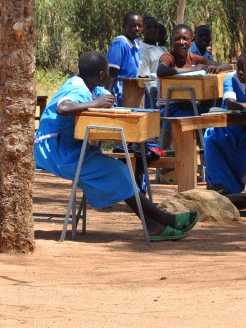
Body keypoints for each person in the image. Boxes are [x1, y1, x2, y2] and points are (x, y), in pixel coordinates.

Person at [34, 51, 200, 241]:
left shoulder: (85, 84)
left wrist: (104, 98)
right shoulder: (77, 90)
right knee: (119, 171)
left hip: (70, 149)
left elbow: (102, 94)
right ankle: (160, 221)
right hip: (55, 152)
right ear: (103, 75)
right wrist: (95, 103)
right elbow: (63, 108)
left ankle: (157, 221)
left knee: (120, 170)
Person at [156, 24, 232, 134]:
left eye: (185, 39)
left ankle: (207, 148)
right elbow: (161, 71)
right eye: (177, 39)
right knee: (194, 119)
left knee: (219, 114)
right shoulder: (168, 57)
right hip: (169, 109)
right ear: (171, 41)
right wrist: (193, 69)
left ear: (191, 41)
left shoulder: (192, 57)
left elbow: (228, 66)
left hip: (189, 106)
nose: (181, 42)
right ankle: (193, 149)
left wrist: (217, 68)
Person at [204, 55, 246, 194]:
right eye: (239, 68)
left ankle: (233, 186)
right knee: (211, 138)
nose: (241, 72)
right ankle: (218, 184)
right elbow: (230, 102)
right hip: (228, 128)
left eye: (245, 69)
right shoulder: (230, 78)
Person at [106, 11, 143, 106]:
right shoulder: (120, 44)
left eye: (140, 26)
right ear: (125, 26)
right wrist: (107, 94)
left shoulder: (137, 44)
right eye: (133, 26)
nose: (137, 29)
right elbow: (112, 72)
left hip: (132, 94)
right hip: (120, 95)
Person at [138, 17, 167, 108]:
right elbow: (145, 81)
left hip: (166, 93)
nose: (153, 30)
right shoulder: (141, 50)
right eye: (149, 27)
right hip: (152, 97)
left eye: (155, 27)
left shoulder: (162, 49)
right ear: (143, 30)